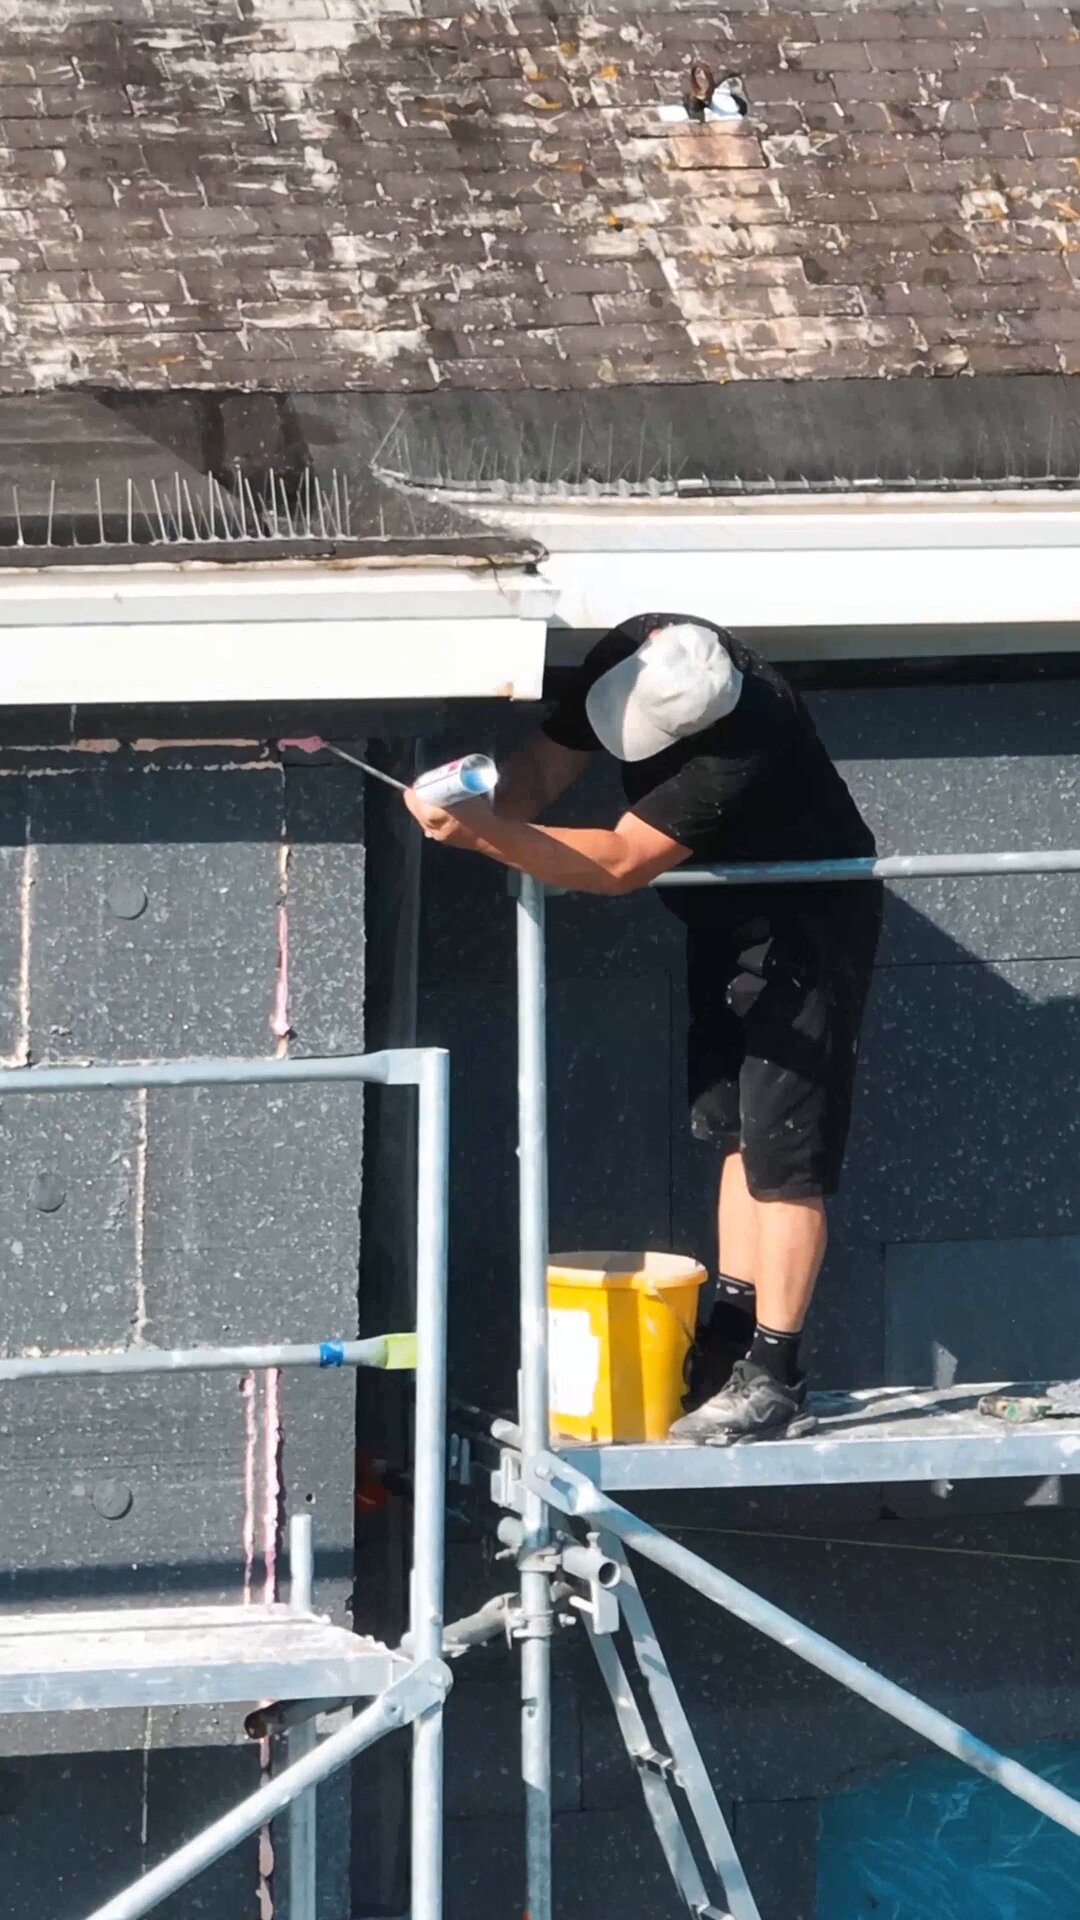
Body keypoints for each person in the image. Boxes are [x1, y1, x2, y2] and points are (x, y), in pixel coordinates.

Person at [404, 614, 882, 1444]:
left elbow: (620, 864)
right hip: (726, 917)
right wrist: (484, 813)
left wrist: (487, 837)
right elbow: (548, 764)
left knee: (787, 1161)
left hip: (807, 922)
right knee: (737, 1132)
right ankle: (729, 1338)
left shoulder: (749, 732)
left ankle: (775, 1375)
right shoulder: (637, 641)